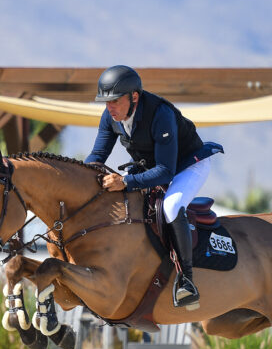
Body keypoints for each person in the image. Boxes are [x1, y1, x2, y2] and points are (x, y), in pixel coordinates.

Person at [85, 65, 222, 308]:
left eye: (115, 101)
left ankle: (186, 282)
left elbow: (165, 172)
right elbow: (97, 156)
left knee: (170, 206)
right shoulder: (111, 117)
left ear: (134, 96)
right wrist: (78, 178)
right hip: (152, 168)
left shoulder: (160, 114)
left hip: (188, 165)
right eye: (106, 102)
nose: (110, 108)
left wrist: (125, 181)